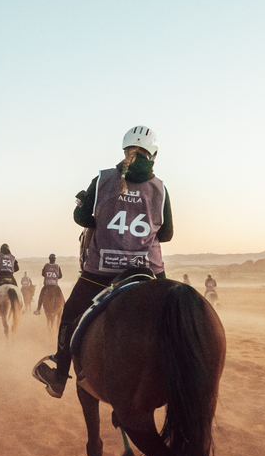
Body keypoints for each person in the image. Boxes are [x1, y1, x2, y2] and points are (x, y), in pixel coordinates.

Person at [32, 125, 173, 398]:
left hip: (101, 272)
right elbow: (166, 235)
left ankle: (60, 375)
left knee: (70, 315)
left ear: (124, 150)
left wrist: (82, 205)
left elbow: (83, 219)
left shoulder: (102, 180)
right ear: (153, 155)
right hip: (149, 273)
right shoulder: (160, 188)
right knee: (173, 319)